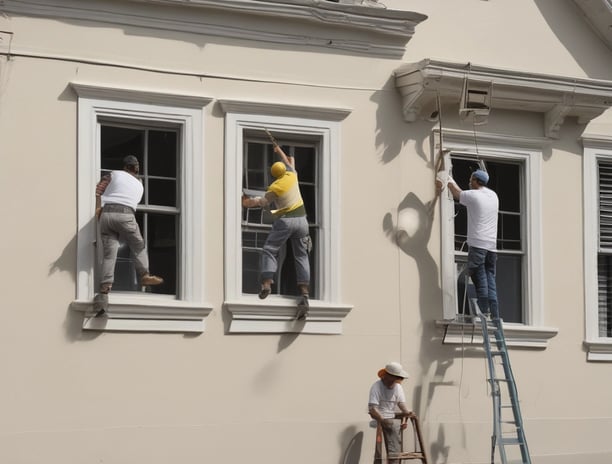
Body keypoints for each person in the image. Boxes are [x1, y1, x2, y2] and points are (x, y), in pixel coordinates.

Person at [241, 141, 311, 320]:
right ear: (285, 169)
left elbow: (261, 203)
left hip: (285, 221)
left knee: (270, 250)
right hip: (302, 221)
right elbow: (290, 160)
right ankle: (304, 292)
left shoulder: (275, 188)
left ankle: (266, 283)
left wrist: (246, 202)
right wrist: (278, 149)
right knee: (301, 255)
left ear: (274, 175)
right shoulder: (293, 175)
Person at [93, 155, 164, 316]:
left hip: (107, 214)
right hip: (125, 214)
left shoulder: (113, 174)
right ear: (136, 168)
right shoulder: (139, 183)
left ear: (125, 167)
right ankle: (144, 275)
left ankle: (103, 296)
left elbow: (99, 190)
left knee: (109, 255)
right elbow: (133, 202)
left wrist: (98, 209)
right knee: (138, 244)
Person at [445, 169, 499, 319]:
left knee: (479, 277)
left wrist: (448, 178)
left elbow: (456, 193)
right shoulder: (493, 195)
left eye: (471, 179)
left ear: (476, 180)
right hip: (492, 246)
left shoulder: (474, 195)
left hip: (478, 245)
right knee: (490, 279)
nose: (469, 182)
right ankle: (494, 313)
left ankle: (484, 311)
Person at [368, 362, 415, 464]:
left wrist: (407, 413)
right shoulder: (376, 386)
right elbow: (372, 408)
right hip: (379, 419)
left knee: (394, 448)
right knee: (380, 452)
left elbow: (401, 404)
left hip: (392, 418)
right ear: (387, 376)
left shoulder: (398, 387)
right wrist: (382, 420)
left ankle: (394, 460)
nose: (394, 381)